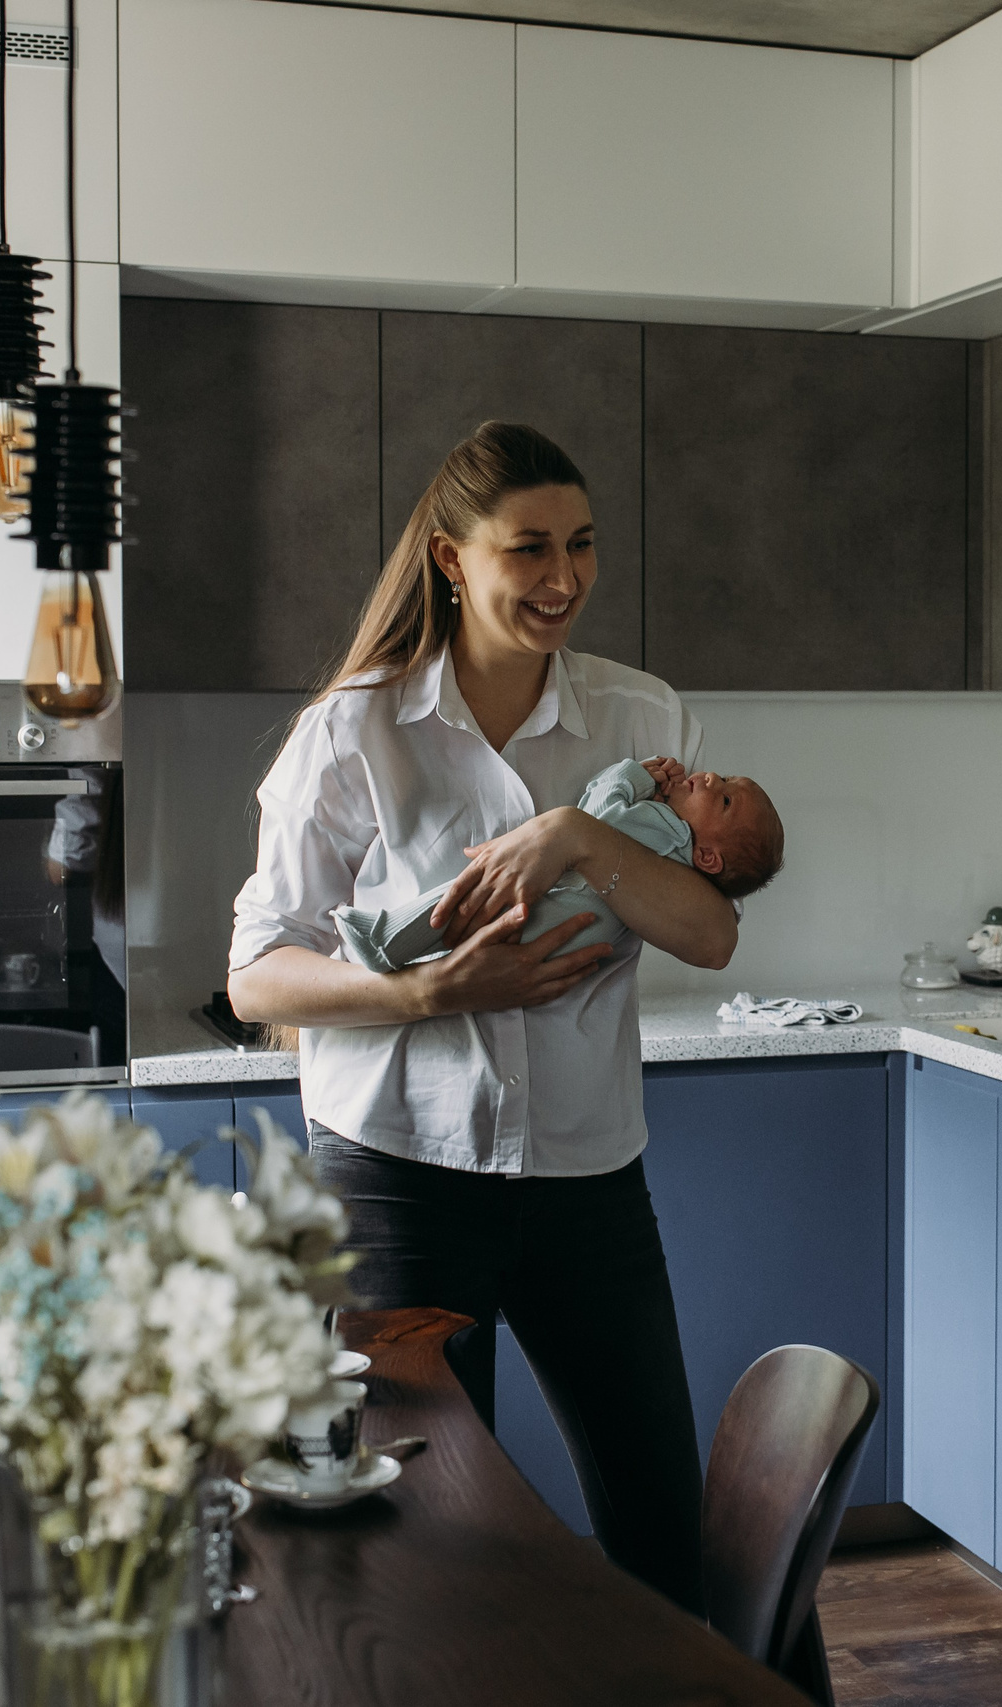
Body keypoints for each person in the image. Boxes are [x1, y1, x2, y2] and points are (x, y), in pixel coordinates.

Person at [226, 420, 738, 1616]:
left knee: (661, 1523)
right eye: (528, 550)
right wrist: (426, 993)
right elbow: (258, 973)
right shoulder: (356, 731)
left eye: (582, 545)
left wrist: (575, 835)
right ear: (453, 559)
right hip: (399, 1179)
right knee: (420, 1539)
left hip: (588, 1185)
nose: (563, 578)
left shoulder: (640, 721)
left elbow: (710, 934)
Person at [334, 755, 782, 974]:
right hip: (566, 938)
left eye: (723, 797)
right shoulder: (678, 866)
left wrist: (632, 774)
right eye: (723, 777)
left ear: (706, 856)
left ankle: (384, 938)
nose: (708, 777)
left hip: (558, 911)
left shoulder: (664, 829)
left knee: (469, 896)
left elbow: (599, 811)